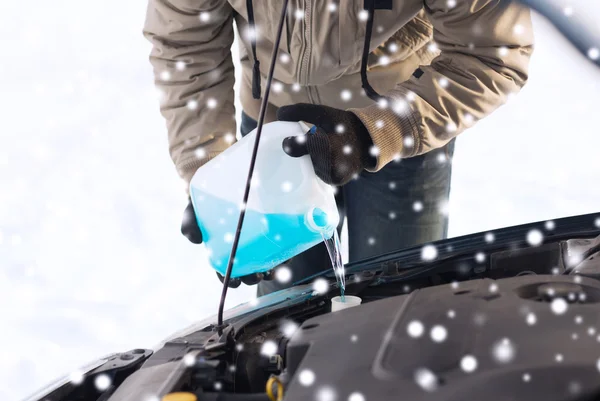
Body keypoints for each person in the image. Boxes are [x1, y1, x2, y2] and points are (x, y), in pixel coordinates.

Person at [143, 0, 534, 296]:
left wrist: (376, 132)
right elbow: (183, 45)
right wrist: (212, 175)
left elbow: (491, 53)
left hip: (404, 132)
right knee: (281, 327)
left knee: (398, 311)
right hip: (270, 139)